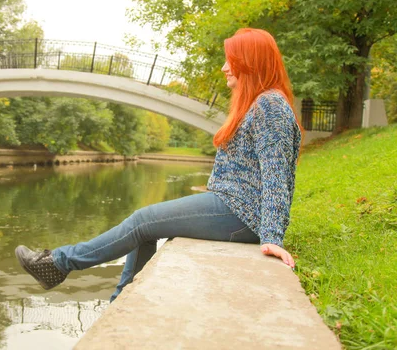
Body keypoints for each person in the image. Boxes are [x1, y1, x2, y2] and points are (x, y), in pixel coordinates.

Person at [15, 28, 303, 302]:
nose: (225, 67)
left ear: (250, 63)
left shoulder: (270, 105)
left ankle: (59, 263)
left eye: (231, 61)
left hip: (242, 215)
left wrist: (272, 237)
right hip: (231, 206)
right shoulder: (260, 103)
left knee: (143, 221)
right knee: (146, 225)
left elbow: (276, 174)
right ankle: (119, 301)